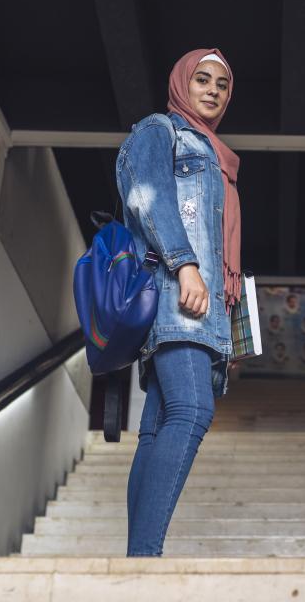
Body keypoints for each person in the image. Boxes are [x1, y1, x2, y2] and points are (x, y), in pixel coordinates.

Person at [115, 48, 243, 557]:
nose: (212, 89)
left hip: (203, 304)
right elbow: (147, 196)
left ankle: (135, 561)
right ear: (181, 83)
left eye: (223, 84)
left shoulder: (218, 155)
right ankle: (146, 558)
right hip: (176, 293)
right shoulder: (159, 131)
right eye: (202, 79)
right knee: (191, 410)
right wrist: (184, 264)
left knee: (158, 425)